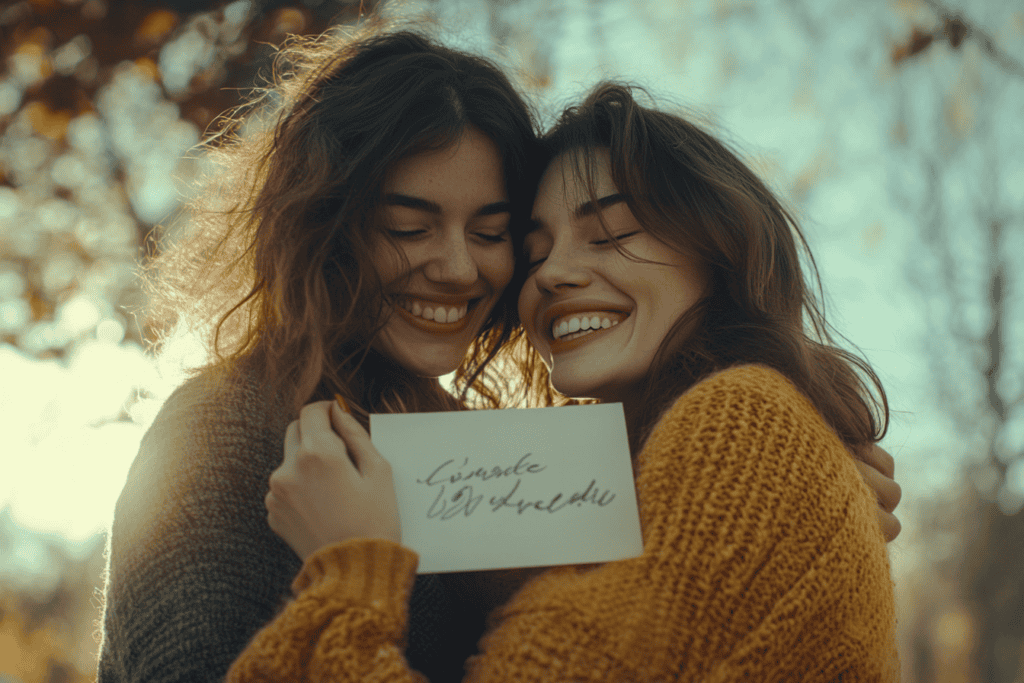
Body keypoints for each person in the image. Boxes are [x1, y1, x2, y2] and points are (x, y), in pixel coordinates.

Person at [226, 82, 901, 682]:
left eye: (607, 234)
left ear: (717, 250)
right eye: (534, 250)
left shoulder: (741, 420)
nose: (550, 274)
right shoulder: (667, 468)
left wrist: (349, 575)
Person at [97, 25, 540, 683]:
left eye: (490, 232)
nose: (457, 266)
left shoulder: (490, 456)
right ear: (323, 222)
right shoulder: (222, 429)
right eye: (408, 228)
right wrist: (358, 568)